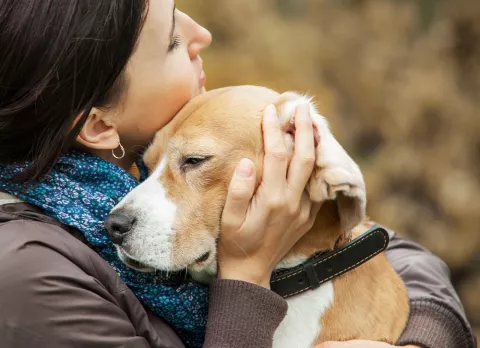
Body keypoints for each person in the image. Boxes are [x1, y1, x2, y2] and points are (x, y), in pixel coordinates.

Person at [0, 1, 475, 348]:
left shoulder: (128, 171)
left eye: (190, 162)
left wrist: (419, 341)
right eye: (171, 41)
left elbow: (384, 249)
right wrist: (247, 273)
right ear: (100, 124)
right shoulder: (29, 275)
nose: (201, 33)